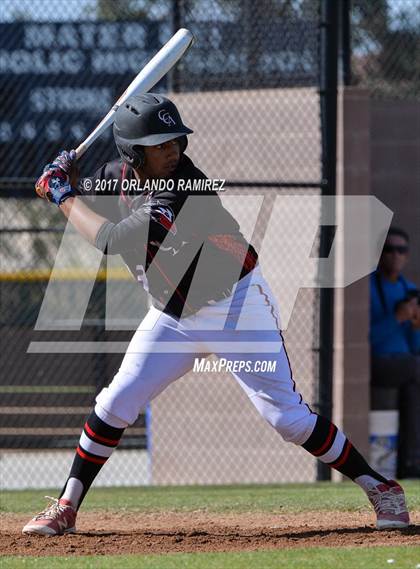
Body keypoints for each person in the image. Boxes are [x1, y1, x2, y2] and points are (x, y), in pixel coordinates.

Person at [23, 93, 409, 536]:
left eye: (175, 142)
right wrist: (71, 181)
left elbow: (109, 239)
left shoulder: (183, 188)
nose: (173, 151)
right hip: (172, 316)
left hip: (235, 308)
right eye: (160, 144)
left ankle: (381, 488)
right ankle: (67, 506)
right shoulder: (114, 177)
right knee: (114, 403)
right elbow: (90, 197)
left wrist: (61, 193)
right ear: (132, 154)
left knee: (288, 419)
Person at [370, 227, 420, 477]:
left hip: (405, 365)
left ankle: (409, 463)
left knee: (413, 394)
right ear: (379, 254)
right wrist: (397, 318)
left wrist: (415, 325)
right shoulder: (367, 287)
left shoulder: (409, 288)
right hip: (377, 363)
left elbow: (414, 346)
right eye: (389, 249)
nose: (395, 255)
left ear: (407, 256)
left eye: (401, 250)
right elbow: (367, 340)